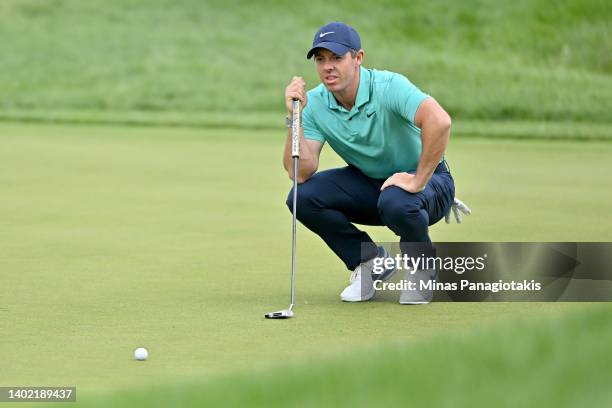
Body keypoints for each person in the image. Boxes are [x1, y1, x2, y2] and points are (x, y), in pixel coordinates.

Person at [283, 22, 468, 305]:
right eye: (321, 59)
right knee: (302, 197)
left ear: (358, 58)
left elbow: (440, 121)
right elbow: (302, 172)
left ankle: (422, 267)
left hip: (429, 182)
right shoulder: (315, 102)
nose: (327, 66)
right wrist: (295, 117)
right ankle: (369, 261)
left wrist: (418, 179)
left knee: (397, 200)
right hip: (373, 184)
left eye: (336, 57)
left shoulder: (388, 86)